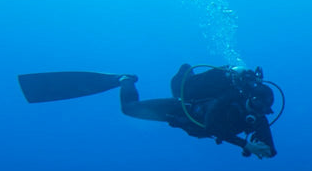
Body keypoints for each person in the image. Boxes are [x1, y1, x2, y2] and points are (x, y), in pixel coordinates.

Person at [17, 64, 280, 158]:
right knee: (129, 109)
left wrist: (262, 147)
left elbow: (271, 151)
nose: (256, 111)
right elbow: (212, 125)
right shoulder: (228, 98)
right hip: (181, 109)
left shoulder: (256, 117)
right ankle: (124, 79)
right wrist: (245, 144)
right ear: (247, 96)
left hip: (191, 124)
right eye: (255, 104)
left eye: (262, 110)